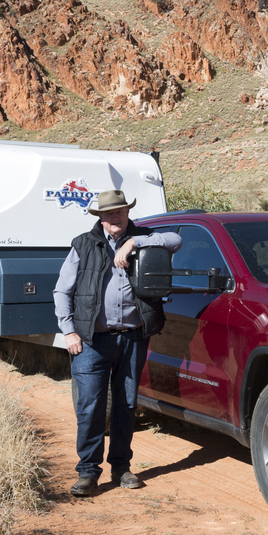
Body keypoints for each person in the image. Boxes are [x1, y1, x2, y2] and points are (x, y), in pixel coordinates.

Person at [53, 189, 181, 497]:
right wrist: (68, 331)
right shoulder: (84, 244)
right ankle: (88, 471)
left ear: (127, 213)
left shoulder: (142, 237)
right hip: (91, 341)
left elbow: (175, 241)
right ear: (100, 216)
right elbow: (62, 291)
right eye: (109, 213)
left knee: (126, 405)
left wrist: (135, 242)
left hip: (132, 338)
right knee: (91, 407)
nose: (115, 217)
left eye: (120, 212)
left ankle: (121, 468)